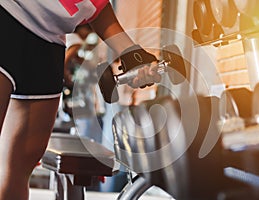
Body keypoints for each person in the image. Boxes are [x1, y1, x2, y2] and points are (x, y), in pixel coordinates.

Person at [0, 1, 161, 199]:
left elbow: (96, 5)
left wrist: (131, 53)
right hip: (7, 14)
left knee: (16, 170)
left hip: (49, 42)